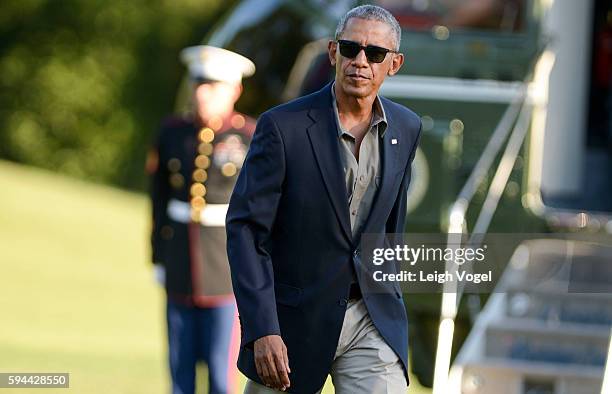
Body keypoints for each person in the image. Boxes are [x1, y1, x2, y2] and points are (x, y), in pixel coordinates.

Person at [226, 5, 421, 394]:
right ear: (333, 53)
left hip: (371, 320)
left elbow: (389, 230)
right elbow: (247, 231)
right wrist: (263, 328)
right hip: (291, 328)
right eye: (350, 49)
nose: (360, 61)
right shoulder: (282, 128)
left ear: (394, 64)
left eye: (375, 53)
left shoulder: (406, 126)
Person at [147, 45, 256, 394]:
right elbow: (158, 198)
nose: (202, 93)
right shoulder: (172, 132)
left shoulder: (250, 137)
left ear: (234, 90)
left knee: (221, 374)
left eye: (213, 85)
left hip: (226, 267)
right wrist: (158, 256)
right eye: (199, 84)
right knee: (179, 371)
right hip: (179, 259)